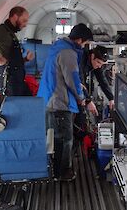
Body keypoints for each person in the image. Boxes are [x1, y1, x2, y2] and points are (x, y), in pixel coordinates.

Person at [37, 23, 93, 181]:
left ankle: (53, 168)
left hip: (49, 97)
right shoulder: (68, 52)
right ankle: (62, 172)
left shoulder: (59, 46)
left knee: (53, 136)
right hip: (58, 102)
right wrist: (82, 99)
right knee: (65, 138)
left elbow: (63, 74)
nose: (85, 46)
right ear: (80, 40)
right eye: (85, 43)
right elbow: (73, 79)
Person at [0, 6, 34, 96]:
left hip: (15, 81)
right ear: (15, 17)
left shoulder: (10, 33)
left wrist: (26, 59)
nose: (25, 24)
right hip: (8, 84)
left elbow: (13, 62)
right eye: (24, 20)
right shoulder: (1, 30)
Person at [79, 45, 114, 116]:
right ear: (92, 56)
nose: (99, 66)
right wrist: (88, 101)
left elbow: (101, 79)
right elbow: (80, 82)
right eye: (98, 62)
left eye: (101, 64)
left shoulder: (96, 64)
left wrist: (111, 98)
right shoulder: (81, 60)